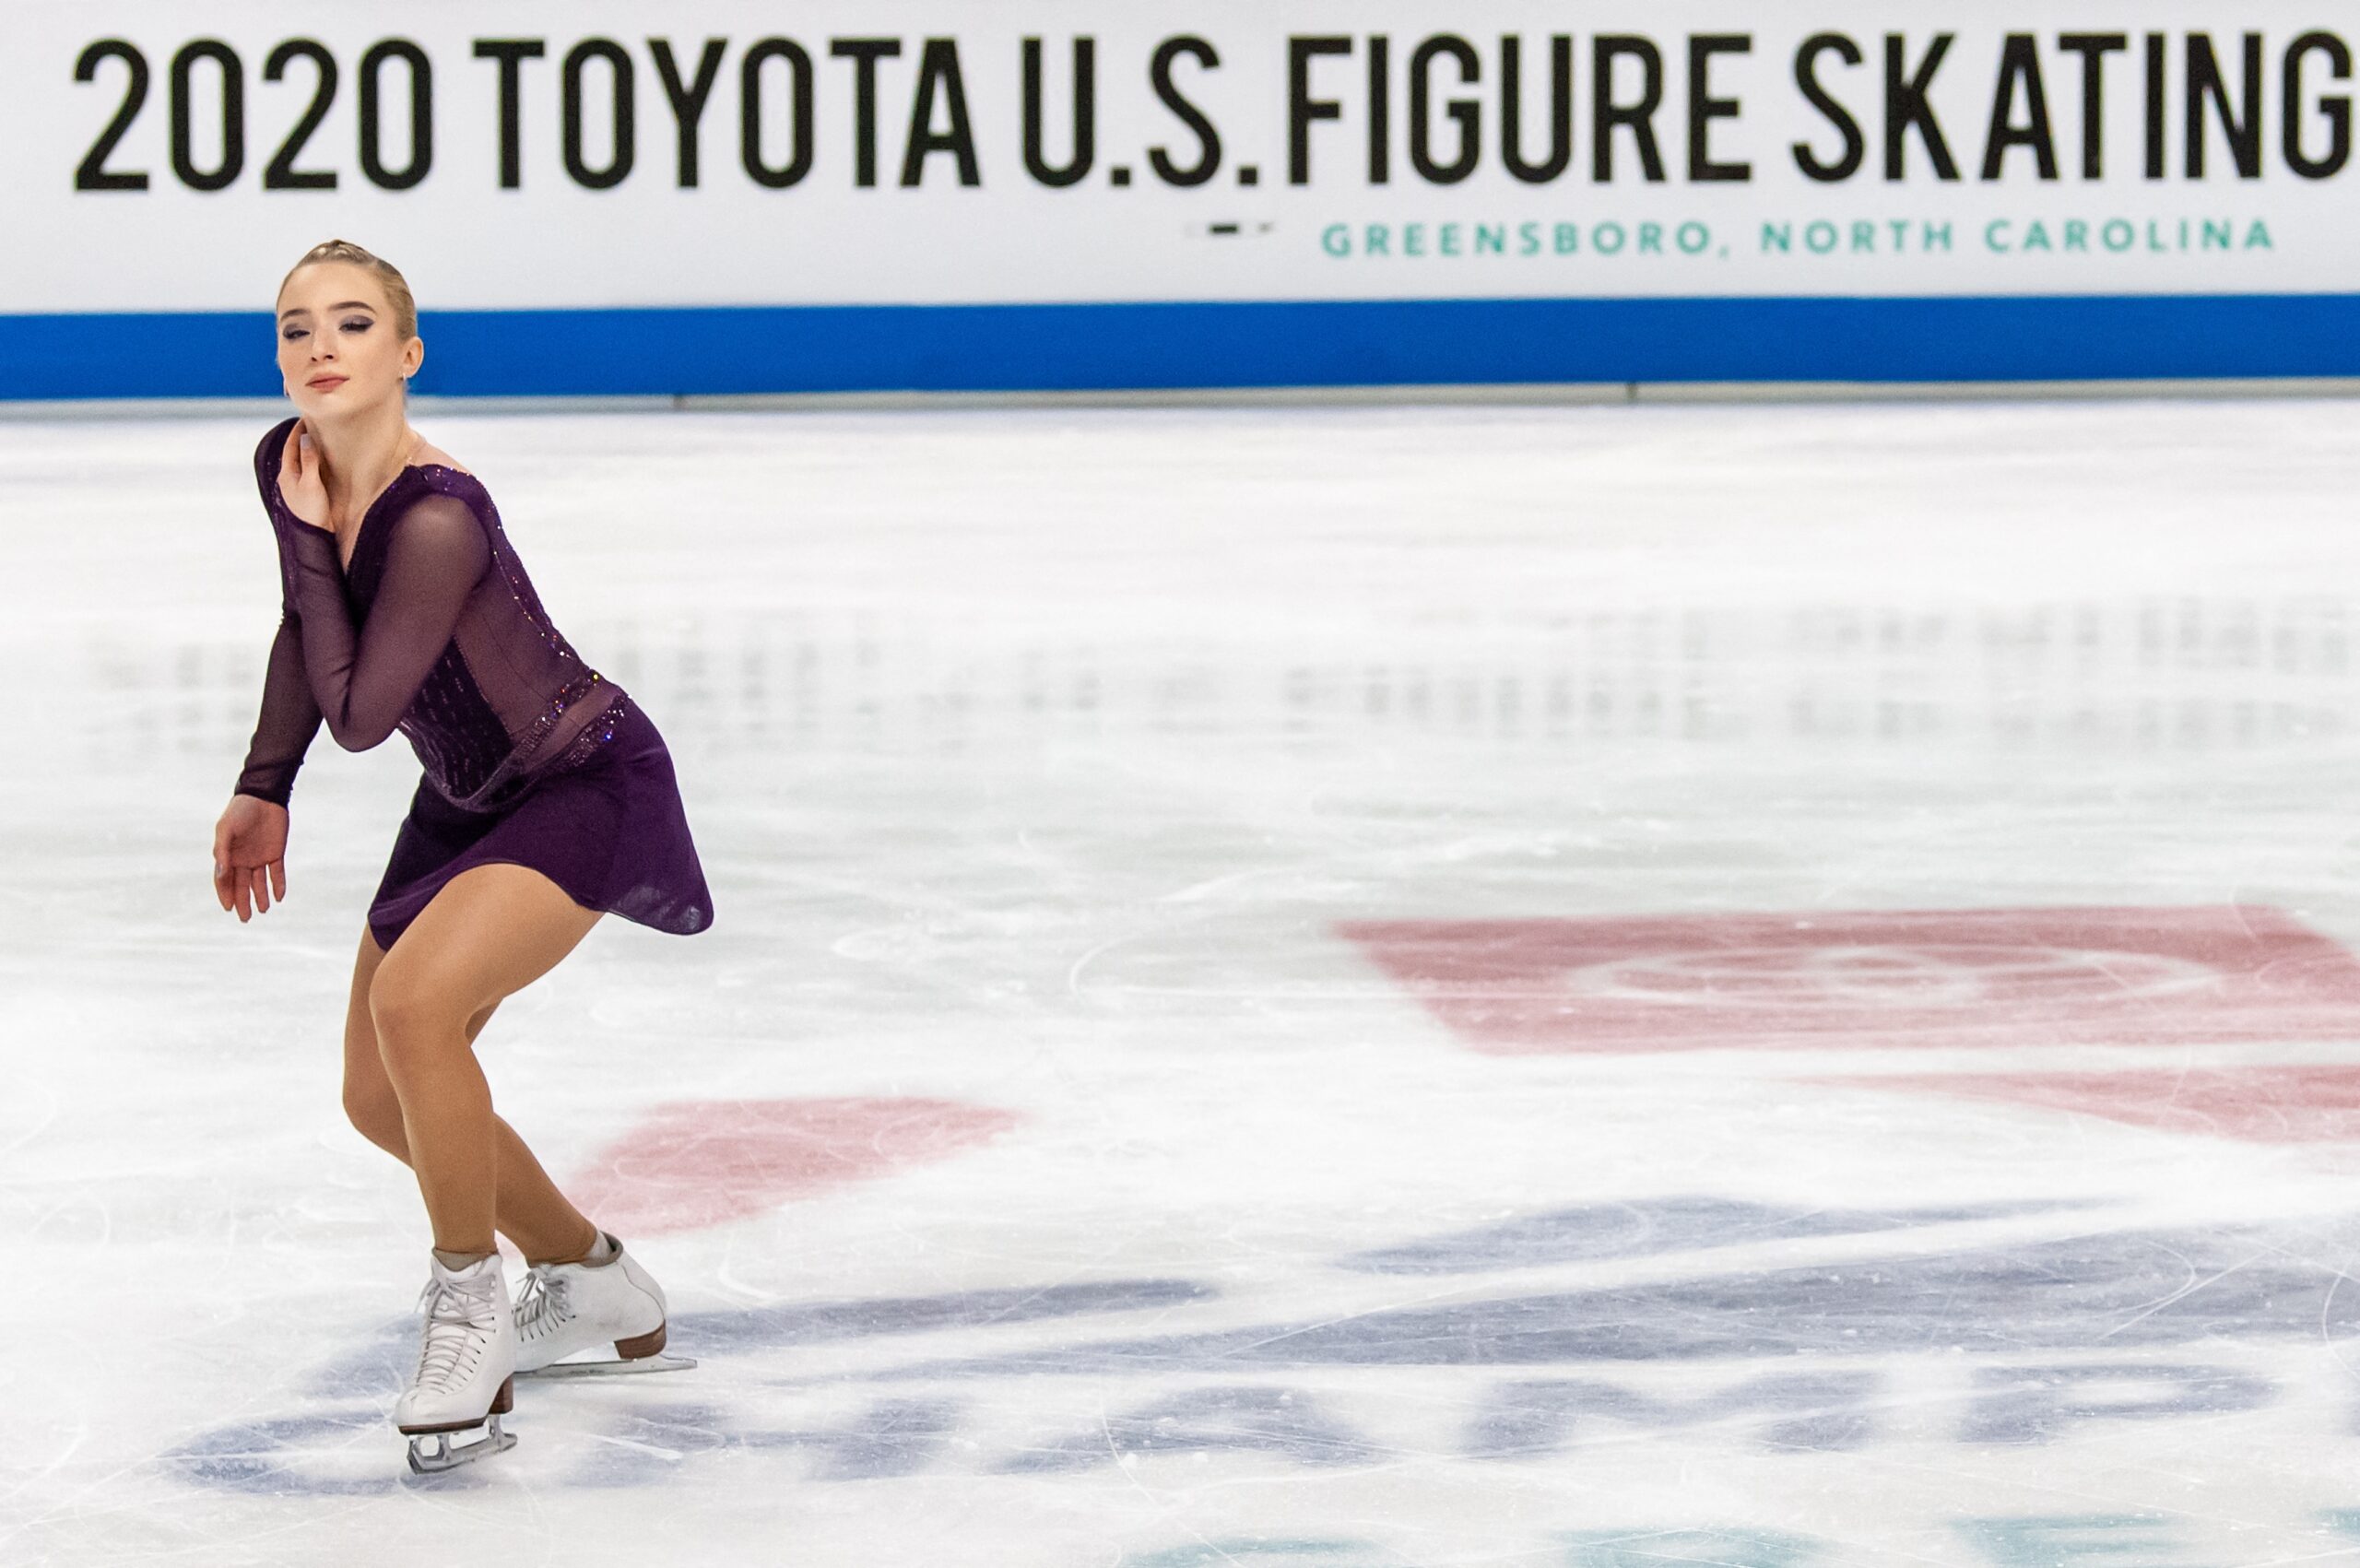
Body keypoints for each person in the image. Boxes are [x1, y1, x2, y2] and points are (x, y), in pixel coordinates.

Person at [208, 239, 715, 1472]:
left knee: (416, 1004)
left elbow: (360, 712)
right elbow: (307, 628)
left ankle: (467, 1307)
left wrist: (303, 535)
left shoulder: (435, 515)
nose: (320, 347)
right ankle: (588, 1273)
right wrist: (262, 783)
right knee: (376, 1094)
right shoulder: (297, 466)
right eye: (295, 328)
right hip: (464, 797)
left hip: (582, 782)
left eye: (352, 324)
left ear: (407, 353)